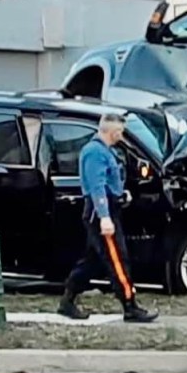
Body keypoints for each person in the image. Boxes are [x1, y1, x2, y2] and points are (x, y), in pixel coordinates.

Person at [58, 114, 158, 323]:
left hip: (107, 209)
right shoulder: (95, 153)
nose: (121, 136)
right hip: (100, 213)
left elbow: (110, 182)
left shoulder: (105, 151)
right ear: (110, 132)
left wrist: (121, 194)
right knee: (118, 259)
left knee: (92, 261)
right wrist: (105, 217)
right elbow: (97, 187)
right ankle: (130, 306)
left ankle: (67, 301)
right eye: (119, 132)